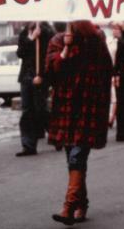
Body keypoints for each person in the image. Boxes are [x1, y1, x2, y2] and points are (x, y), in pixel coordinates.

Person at [45, 21, 112, 225]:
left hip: (87, 104)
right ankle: (81, 203)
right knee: (72, 156)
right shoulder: (57, 40)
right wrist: (65, 49)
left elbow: (106, 67)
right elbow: (50, 70)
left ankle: (69, 206)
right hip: (66, 104)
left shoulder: (95, 40)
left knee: (77, 154)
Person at [15, 22, 54, 157]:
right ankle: (28, 145)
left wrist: (42, 75)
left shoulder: (47, 32)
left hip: (39, 78)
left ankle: (56, 135)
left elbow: (49, 57)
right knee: (27, 111)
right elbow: (20, 53)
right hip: (26, 77)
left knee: (40, 110)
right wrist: (31, 39)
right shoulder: (25, 32)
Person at [106, 22, 121, 128]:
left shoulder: (120, 42)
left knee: (115, 96)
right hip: (107, 69)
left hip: (116, 70)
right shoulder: (108, 40)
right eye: (113, 28)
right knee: (108, 95)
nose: (115, 30)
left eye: (117, 29)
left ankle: (112, 118)